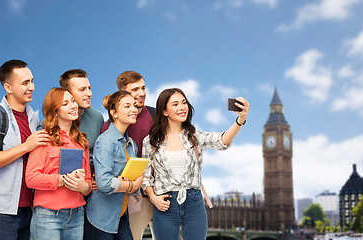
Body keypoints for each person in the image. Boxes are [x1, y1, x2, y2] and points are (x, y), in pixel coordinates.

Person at [142, 88, 250, 240]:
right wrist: (153, 198)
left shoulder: (195, 137)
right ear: (164, 111)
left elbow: (222, 140)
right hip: (165, 204)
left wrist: (240, 120)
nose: (182, 107)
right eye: (175, 104)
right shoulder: (150, 142)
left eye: (184, 103)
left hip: (194, 203)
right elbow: (146, 177)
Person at [0, 59, 50, 239]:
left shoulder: (34, 118)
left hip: (31, 209)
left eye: (32, 81)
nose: (32, 87)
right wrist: (26, 147)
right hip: (0, 211)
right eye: (25, 83)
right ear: (8, 87)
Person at [26, 88, 92, 240]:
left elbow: (87, 182)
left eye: (73, 101)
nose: (73, 106)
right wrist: (63, 180)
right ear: (55, 111)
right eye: (66, 103)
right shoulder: (43, 138)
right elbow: (31, 179)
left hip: (76, 215)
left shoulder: (82, 141)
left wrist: (83, 187)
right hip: (48, 216)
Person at [101, 71, 155, 240]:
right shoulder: (109, 128)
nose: (141, 93)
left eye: (143, 87)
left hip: (161, 193)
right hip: (135, 196)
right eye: (135, 89)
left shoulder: (157, 115)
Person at [86, 91, 144, 240]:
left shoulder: (131, 144)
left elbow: (129, 182)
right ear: (114, 113)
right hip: (101, 218)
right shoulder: (105, 141)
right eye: (127, 106)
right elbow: (104, 183)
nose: (134, 109)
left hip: (121, 213)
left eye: (134, 106)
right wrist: (132, 185)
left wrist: (134, 183)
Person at [58, 69, 104, 240]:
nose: (89, 93)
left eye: (89, 88)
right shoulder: (50, 124)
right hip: (62, 194)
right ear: (67, 94)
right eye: (82, 90)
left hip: (92, 191)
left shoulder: (97, 117)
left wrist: (95, 176)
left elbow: (99, 154)